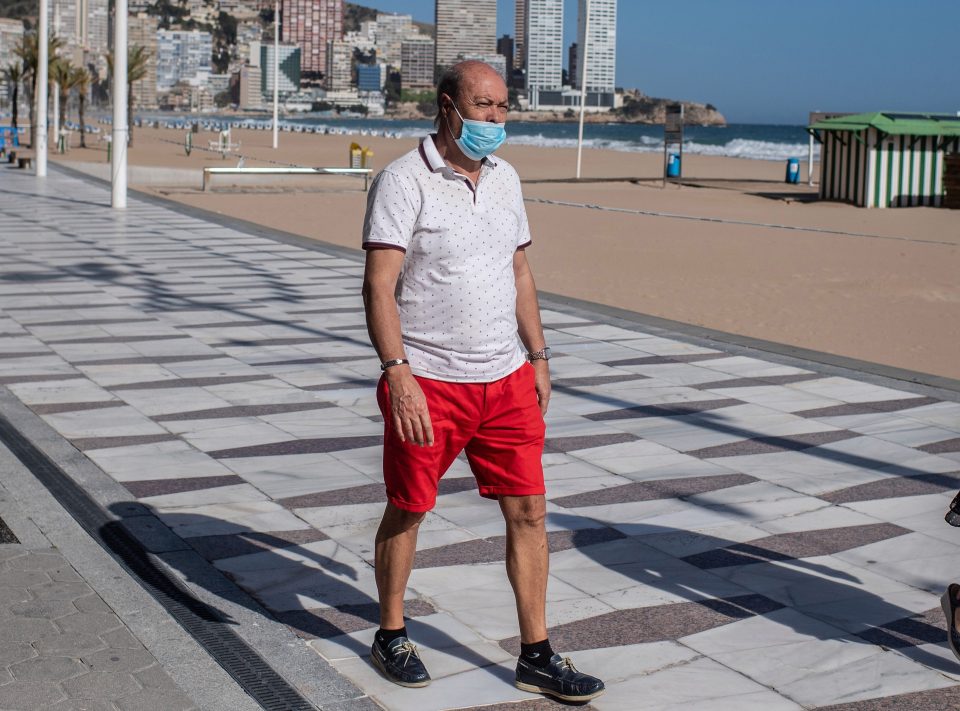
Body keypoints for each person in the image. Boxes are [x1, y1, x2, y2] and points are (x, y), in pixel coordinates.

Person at [360, 60, 605, 703]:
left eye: (502, 107)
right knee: (409, 508)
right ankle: (391, 632)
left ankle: (537, 654)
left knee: (528, 511)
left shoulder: (506, 179)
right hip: (430, 380)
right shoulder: (402, 179)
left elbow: (519, 272)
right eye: (483, 105)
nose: (495, 119)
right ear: (448, 106)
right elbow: (379, 285)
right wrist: (398, 373)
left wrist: (540, 355)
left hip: (506, 377)